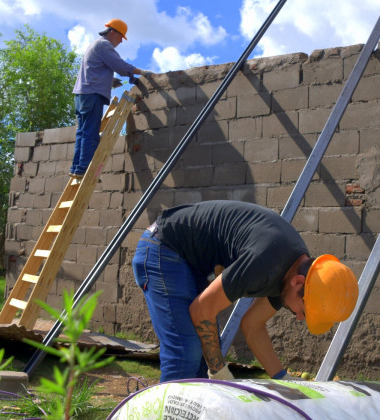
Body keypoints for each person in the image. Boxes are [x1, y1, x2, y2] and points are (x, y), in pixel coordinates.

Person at [132, 200, 359, 382]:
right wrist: (219, 370)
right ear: (298, 283)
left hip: (188, 262)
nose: (299, 317)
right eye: (304, 311)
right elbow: (202, 310)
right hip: (163, 248)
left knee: (203, 351)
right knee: (186, 349)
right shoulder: (266, 261)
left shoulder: (293, 271)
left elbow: (252, 325)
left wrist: (284, 380)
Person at [70, 18, 153, 178]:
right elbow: (120, 65)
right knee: (90, 133)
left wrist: (109, 80)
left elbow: (96, 68)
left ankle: (76, 168)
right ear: (113, 32)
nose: (121, 41)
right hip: (92, 94)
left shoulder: (95, 44)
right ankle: (84, 170)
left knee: (82, 132)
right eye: (121, 37)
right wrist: (141, 72)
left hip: (82, 94)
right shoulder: (104, 45)